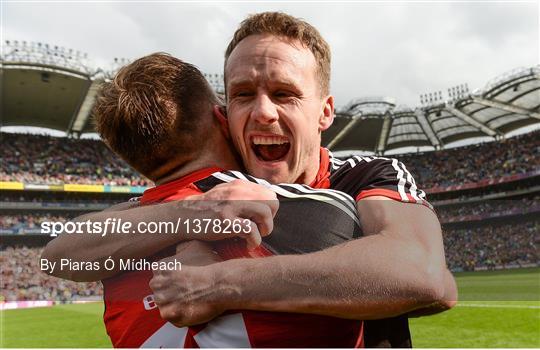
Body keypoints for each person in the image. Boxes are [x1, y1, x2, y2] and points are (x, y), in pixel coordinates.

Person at [43, 12, 457, 347]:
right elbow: (60, 254)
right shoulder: (211, 192)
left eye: (284, 94)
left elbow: (424, 276)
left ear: (325, 112)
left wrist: (217, 284)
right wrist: (192, 217)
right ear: (224, 117)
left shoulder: (367, 176)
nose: (262, 113)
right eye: (242, 94)